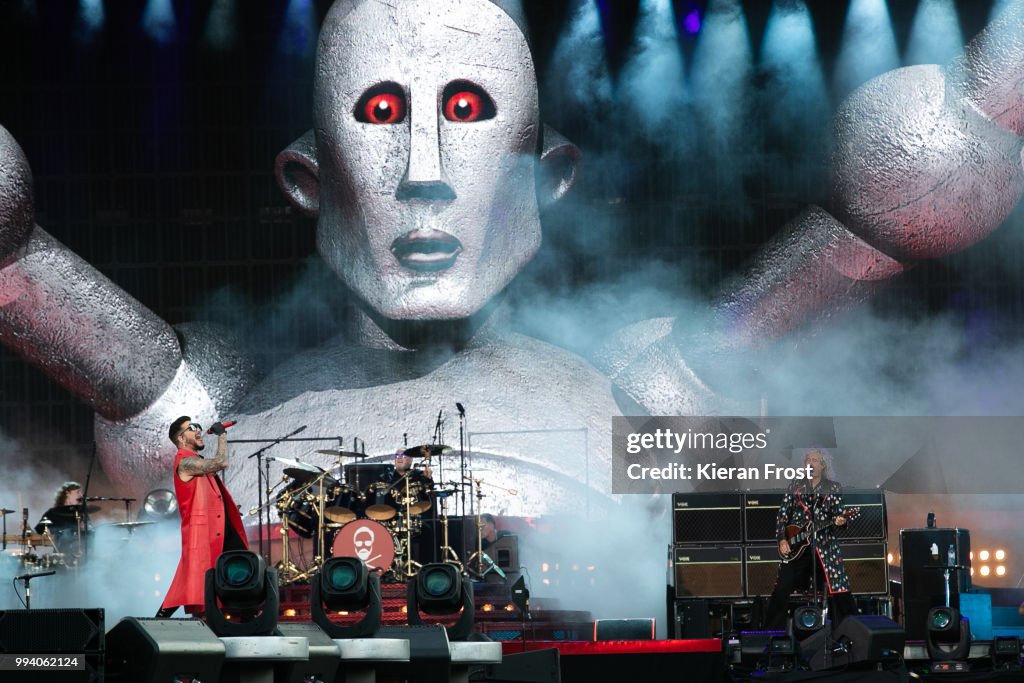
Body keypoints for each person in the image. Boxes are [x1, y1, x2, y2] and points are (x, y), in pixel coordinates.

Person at [156, 416, 247, 618]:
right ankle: (162, 619)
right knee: (198, 581)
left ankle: (242, 617)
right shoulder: (185, 462)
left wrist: (224, 508)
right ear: (181, 438)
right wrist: (222, 436)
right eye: (192, 428)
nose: (198, 430)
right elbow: (221, 462)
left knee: (224, 573)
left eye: (198, 426)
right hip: (203, 532)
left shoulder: (196, 461)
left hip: (216, 529)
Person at [764, 448, 858, 631]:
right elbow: (783, 515)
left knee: (839, 589)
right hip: (797, 544)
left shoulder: (833, 487)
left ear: (823, 465)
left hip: (825, 544)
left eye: (815, 460)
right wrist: (782, 539)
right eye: (808, 460)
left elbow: (839, 515)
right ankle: (771, 633)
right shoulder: (796, 485)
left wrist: (840, 520)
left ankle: (851, 632)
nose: (811, 463)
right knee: (782, 587)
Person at [35, 481, 88, 553]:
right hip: (60, 557)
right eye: (78, 492)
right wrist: (27, 528)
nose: (81, 495)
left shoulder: (81, 513)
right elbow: (37, 532)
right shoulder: (52, 513)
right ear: (67, 493)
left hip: (81, 556)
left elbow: (90, 534)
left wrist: (85, 528)